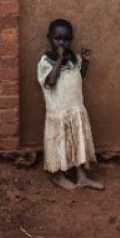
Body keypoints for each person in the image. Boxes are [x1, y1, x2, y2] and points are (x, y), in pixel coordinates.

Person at [37, 19, 103, 191]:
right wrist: (59, 60)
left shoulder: (74, 59)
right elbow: (50, 82)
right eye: (57, 39)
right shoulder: (46, 61)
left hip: (75, 110)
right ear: (49, 38)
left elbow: (80, 76)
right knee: (59, 143)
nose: (62, 42)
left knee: (77, 142)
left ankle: (81, 176)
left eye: (66, 39)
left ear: (71, 39)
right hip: (58, 113)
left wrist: (86, 61)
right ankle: (58, 175)